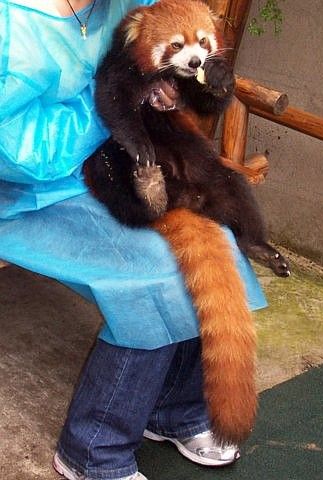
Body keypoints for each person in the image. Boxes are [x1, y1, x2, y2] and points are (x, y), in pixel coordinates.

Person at [0, 1, 268, 479]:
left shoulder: (130, 6)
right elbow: (17, 155)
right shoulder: (11, 20)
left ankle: (173, 410)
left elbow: (168, 72)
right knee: (154, 274)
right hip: (24, 190)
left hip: (110, 164)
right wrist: (122, 105)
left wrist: (175, 91)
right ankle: (92, 449)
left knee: (218, 242)